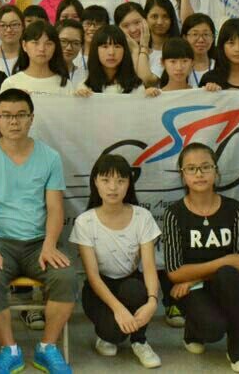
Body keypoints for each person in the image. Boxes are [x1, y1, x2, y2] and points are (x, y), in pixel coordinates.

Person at [0, 88, 77, 374]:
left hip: (39, 242)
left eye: (20, 115)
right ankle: (9, 349)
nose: (13, 121)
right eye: (6, 115)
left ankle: (47, 347)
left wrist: (50, 245)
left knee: (66, 276)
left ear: (31, 118)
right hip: (0, 242)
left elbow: (55, 208)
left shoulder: (50, 157)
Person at [163, 142, 239, 373]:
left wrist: (194, 277)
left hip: (225, 284)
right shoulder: (174, 214)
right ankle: (193, 331)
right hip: (193, 291)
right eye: (191, 168)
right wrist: (222, 262)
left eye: (205, 167)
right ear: (183, 176)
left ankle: (236, 346)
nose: (199, 174)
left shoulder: (234, 209)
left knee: (228, 275)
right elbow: (174, 272)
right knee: (213, 329)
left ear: (216, 171)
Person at [71, 153, 162, 367]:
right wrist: (119, 310)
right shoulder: (85, 221)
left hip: (131, 283)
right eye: (106, 180)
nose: (113, 187)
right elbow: (93, 276)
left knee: (135, 289)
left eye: (120, 181)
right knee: (114, 332)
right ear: (95, 182)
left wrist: (152, 301)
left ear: (129, 184)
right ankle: (106, 335)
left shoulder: (142, 217)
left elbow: (149, 267)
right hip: (98, 290)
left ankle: (140, 341)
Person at [2, 20, 76, 95]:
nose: (42, 49)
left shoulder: (66, 86)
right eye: (35, 43)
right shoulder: (11, 84)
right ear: (24, 45)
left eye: (48, 44)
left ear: (55, 47)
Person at [82, 26, 144, 95]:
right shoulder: (84, 87)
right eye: (105, 46)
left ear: (125, 50)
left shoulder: (137, 87)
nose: (111, 53)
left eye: (117, 46)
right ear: (95, 50)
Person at [144, 0, 179, 79]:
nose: (160, 22)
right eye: (154, 16)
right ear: (145, 18)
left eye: (165, 17)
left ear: (172, 20)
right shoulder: (137, 48)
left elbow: (149, 81)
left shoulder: (178, 49)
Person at [181, 13, 217, 88]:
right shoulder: (178, 68)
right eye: (195, 34)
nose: (201, 40)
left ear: (213, 38)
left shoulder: (220, 67)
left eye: (206, 34)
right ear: (185, 38)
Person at [56, 18, 86, 85]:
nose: (69, 48)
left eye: (75, 43)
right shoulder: (43, 73)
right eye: (63, 41)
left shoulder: (85, 77)